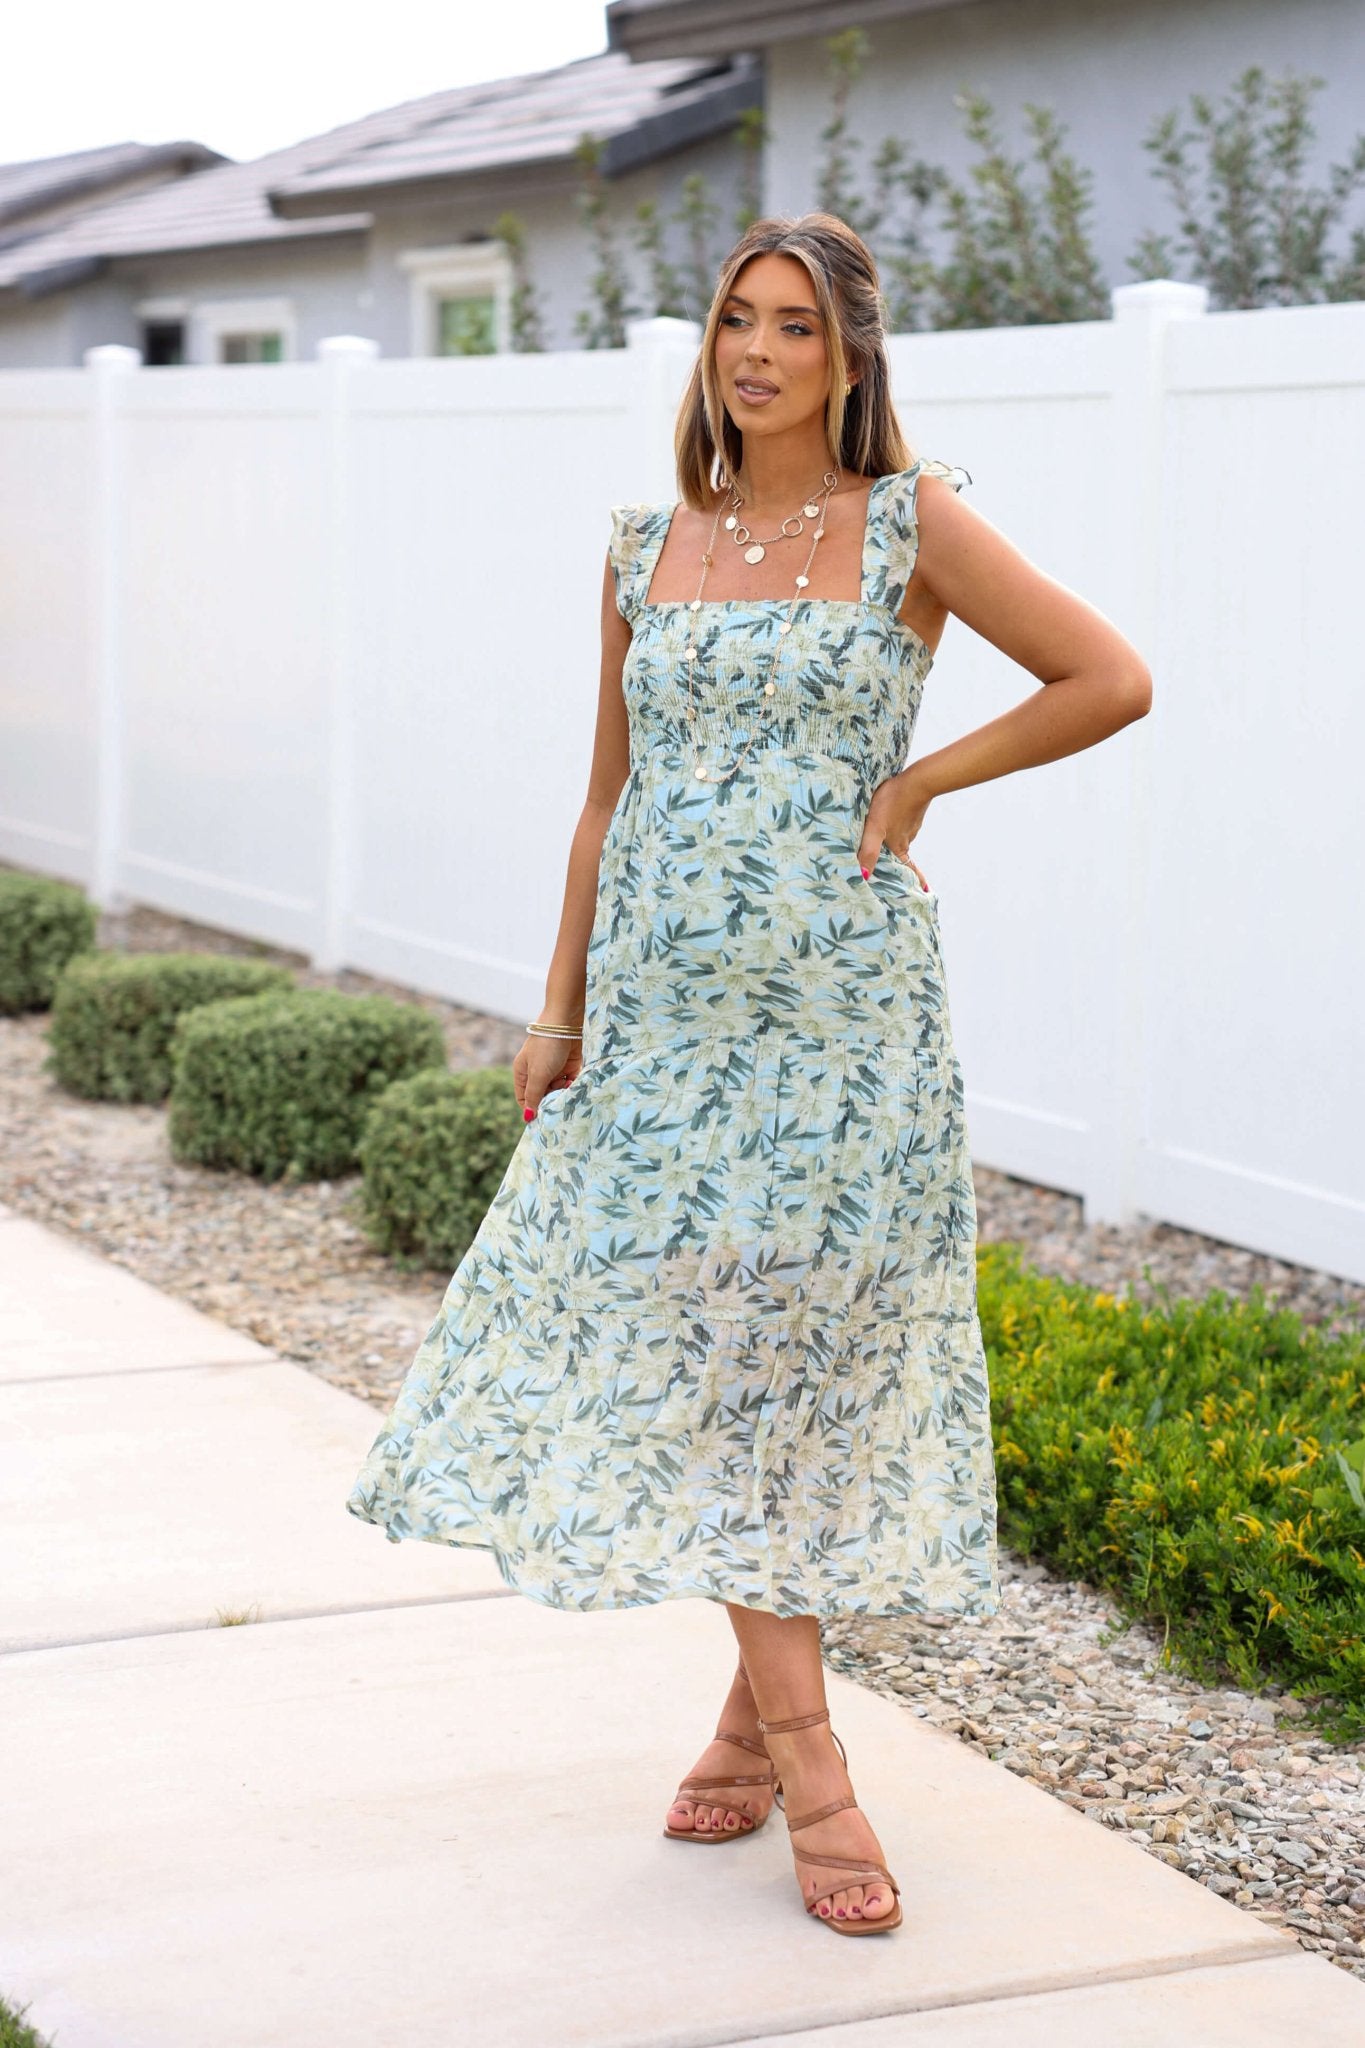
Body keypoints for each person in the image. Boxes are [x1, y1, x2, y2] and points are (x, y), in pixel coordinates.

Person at [346, 211, 1151, 1937]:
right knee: (696, 1343)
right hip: (658, 1020)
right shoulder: (649, 543)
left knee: (804, 1345)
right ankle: (802, 1746)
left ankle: (763, 1731)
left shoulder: (912, 521)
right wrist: (555, 1011)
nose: (758, 352)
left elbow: (1108, 678)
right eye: (736, 322)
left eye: (793, 326)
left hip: (843, 1018)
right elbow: (603, 798)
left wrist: (920, 785)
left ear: (850, 354)